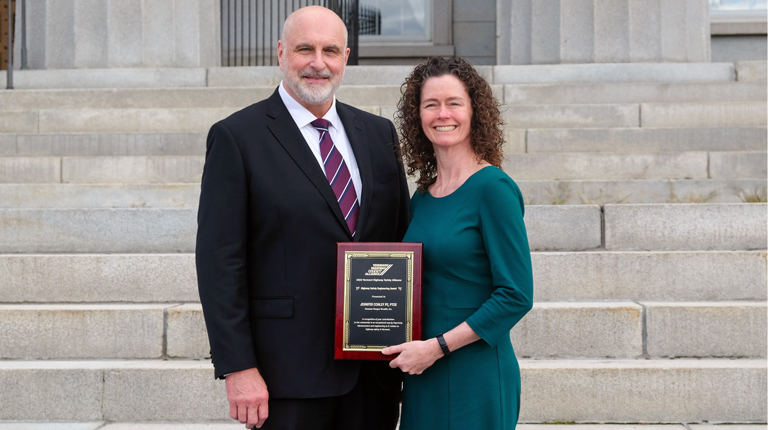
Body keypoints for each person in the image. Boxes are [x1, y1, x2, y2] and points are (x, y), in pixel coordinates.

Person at [196, 6, 410, 430]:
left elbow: (400, 239)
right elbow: (220, 262)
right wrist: (238, 367)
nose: (318, 62)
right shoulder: (238, 137)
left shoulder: (379, 134)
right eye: (304, 49)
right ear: (280, 52)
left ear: (346, 57)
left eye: (330, 50)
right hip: (285, 375)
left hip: (373, 371)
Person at [382, 56, 534, 429]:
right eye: (430, 104)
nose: (442, 114)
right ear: (417, 116)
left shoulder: (493, 189)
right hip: (422, 372)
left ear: (474, 111)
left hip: (473, 371)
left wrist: (438, 347)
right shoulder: (422, 197)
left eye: (454, 103)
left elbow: (516, 295)